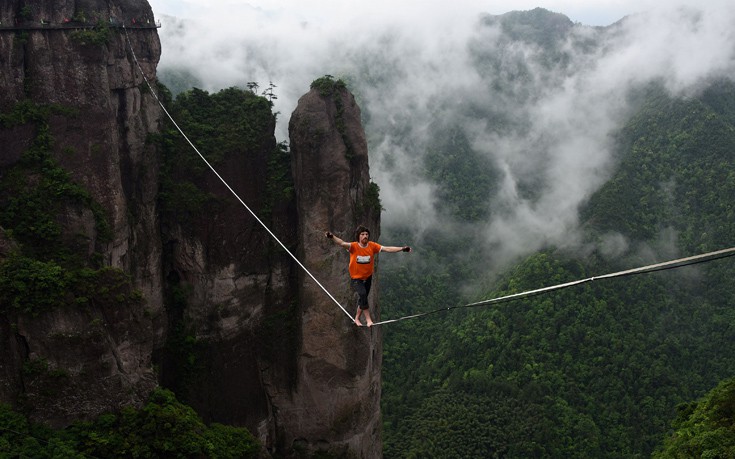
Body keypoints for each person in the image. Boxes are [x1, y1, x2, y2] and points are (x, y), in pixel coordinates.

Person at [326, 225, 411, 327]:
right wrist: (332, 237)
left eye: (366, 234)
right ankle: (368, 319)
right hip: (356, 278)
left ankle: (357, 318)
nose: (365, 236)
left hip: (368, 278)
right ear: (358, 236)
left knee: (363, 298)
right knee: (362, 294)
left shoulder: (372, 246)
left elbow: (387, 248)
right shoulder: (353, 247)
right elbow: (341, 243)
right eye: (362, 234)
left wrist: (402, 249)